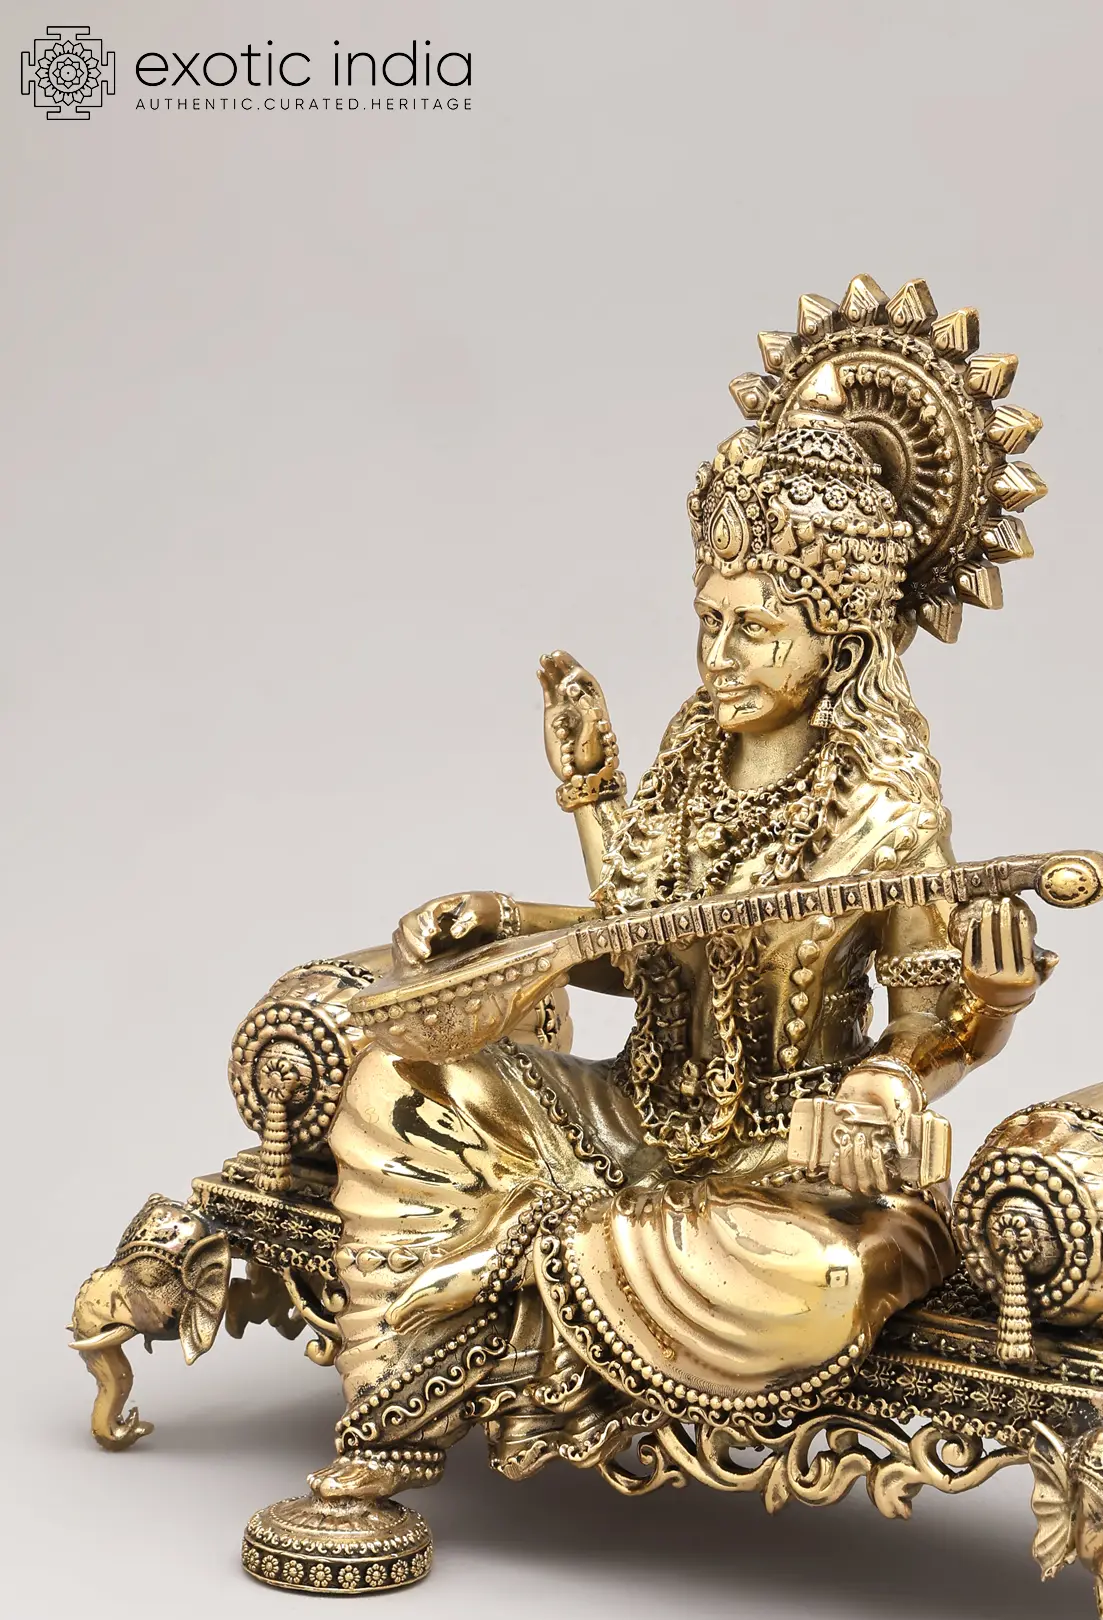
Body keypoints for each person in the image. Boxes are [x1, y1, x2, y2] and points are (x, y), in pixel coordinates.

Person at [312, 301, 1053, 1498]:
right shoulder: (695, 754)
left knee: (824, 1278)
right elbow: (645, 938)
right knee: (401, 1081)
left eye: (756, 630)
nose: (718, 657)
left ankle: (495, 1290)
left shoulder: (888, 810)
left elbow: (929, 1028)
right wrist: (548, 861)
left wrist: (960, 1030)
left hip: (786, 1171)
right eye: (708, 619)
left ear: (839, 643)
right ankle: (428, 1381)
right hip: (630, 1113)